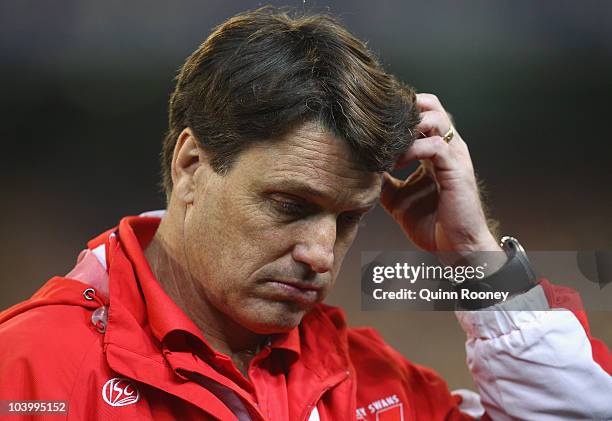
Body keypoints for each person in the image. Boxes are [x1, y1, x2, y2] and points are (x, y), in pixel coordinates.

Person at [0, 7, 610, 421]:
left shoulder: (372, 387)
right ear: (191, 166)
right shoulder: (28, 372)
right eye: (291, 205)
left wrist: (475, 255)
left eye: (348, 220)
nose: (321, 254)